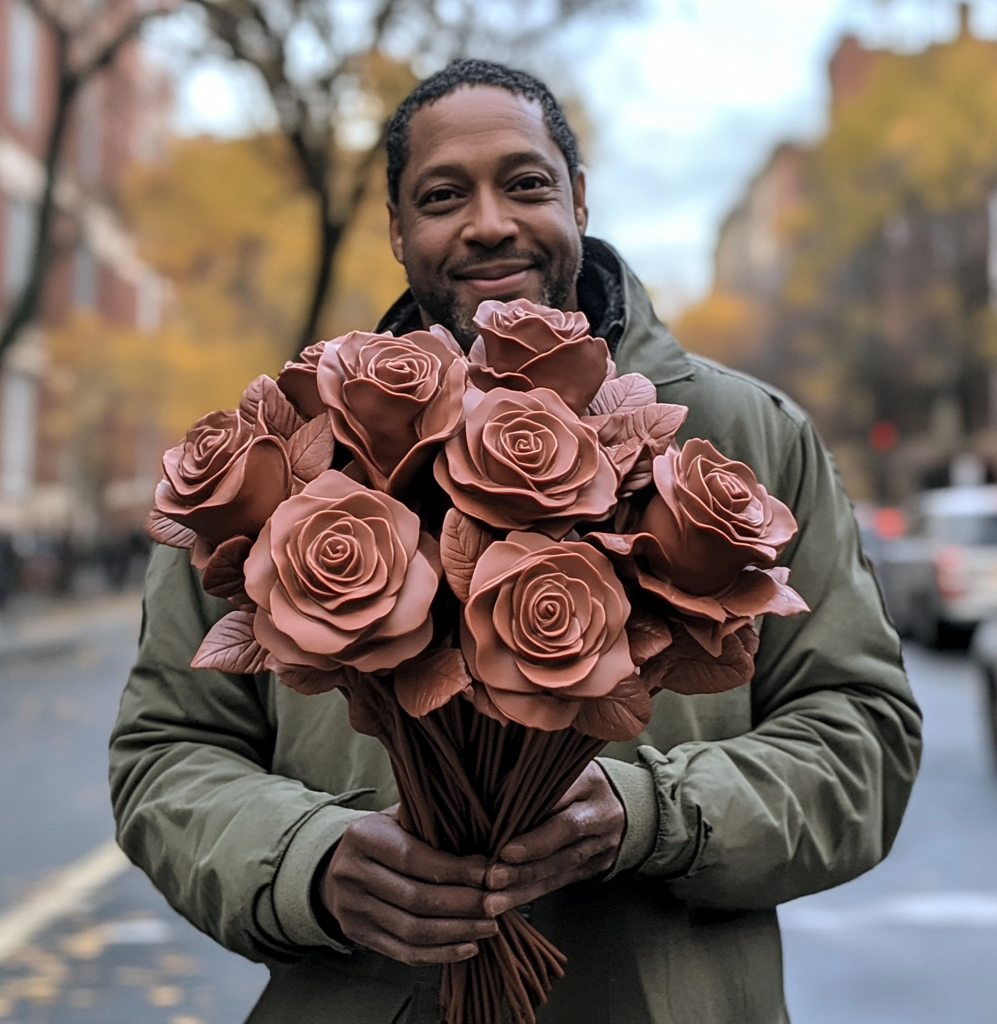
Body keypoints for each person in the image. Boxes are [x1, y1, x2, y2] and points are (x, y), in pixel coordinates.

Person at [109, 59, 922, 1024]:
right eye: (443, 195)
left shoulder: (748, 439)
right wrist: (308, 861)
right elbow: (168, 752)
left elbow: (862, 735)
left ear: (577, 198)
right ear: (399, 232)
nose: (489, 221)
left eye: (526, 183)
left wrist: (654, 815)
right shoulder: (283, 454)